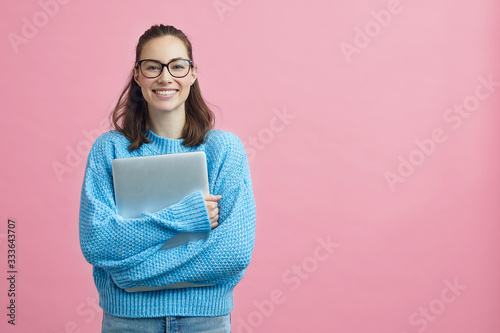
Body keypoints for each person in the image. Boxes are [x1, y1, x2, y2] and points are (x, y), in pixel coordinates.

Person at [79, 24, 256, 333]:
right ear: (137, 75)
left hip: (205, 321)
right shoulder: (109, 150)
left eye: (177, 66)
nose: (165, 77)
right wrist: (185, 215)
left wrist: (130, 276)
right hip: (128, 322)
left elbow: (232, 252)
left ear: (192, 73)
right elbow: (98, 242)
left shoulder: (224, 150)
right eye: (152, 67)